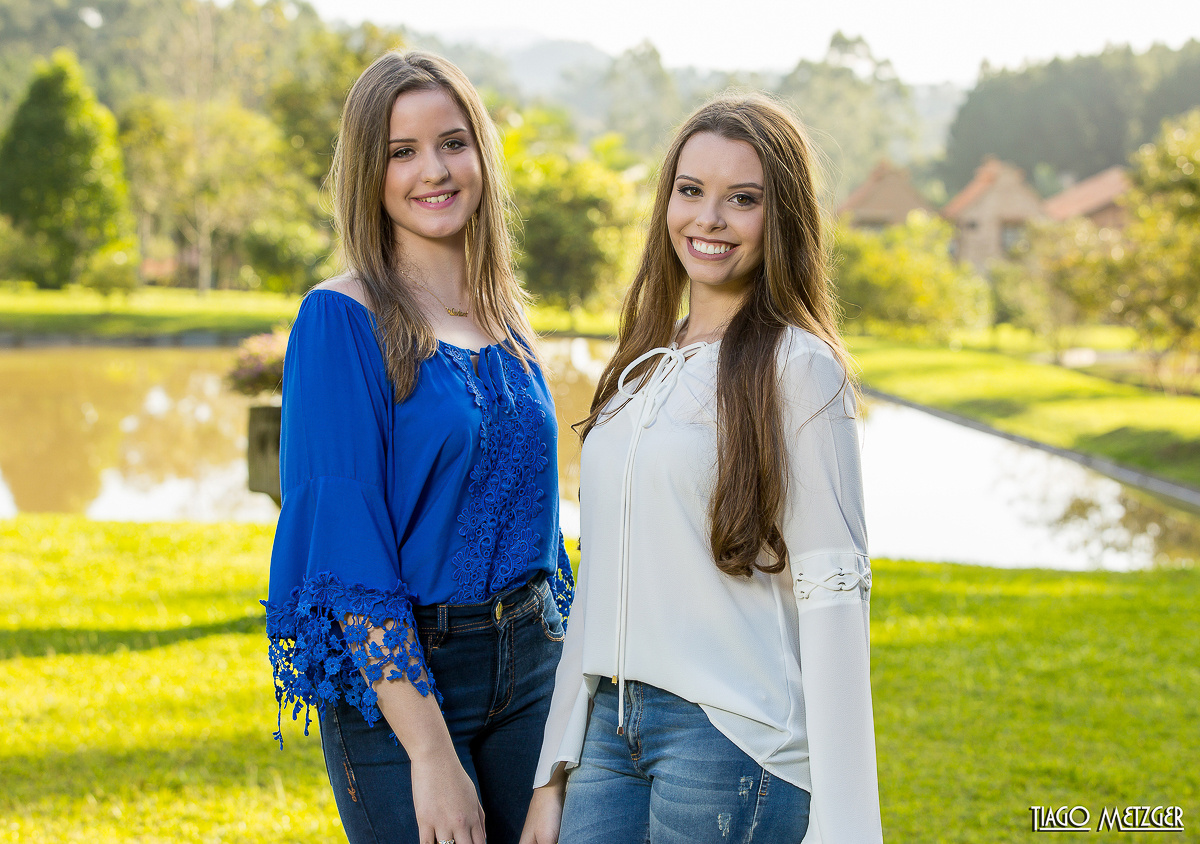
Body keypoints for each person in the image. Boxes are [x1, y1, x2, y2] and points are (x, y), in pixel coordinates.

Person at [520, 93, 883, 844]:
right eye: (691, 191)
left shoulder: (800, 370)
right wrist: (553, 768)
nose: (708, 219)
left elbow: (834, 592)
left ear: (779, 218)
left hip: (734, 742)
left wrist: (849, 825)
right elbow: (599, 579)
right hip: (608, 737)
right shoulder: (638, 370)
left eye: (740, 199)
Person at [264, 50, 574, 844]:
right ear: (369, 171)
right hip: (402, 688)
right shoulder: (340, 321)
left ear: (482, 156)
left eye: (453, 142)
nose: (432, 170)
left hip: (534, 665)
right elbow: (345, 553)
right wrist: (430, 754)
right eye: (402, 151)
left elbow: (542, 529)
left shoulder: (507, 318)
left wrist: (569, 730)